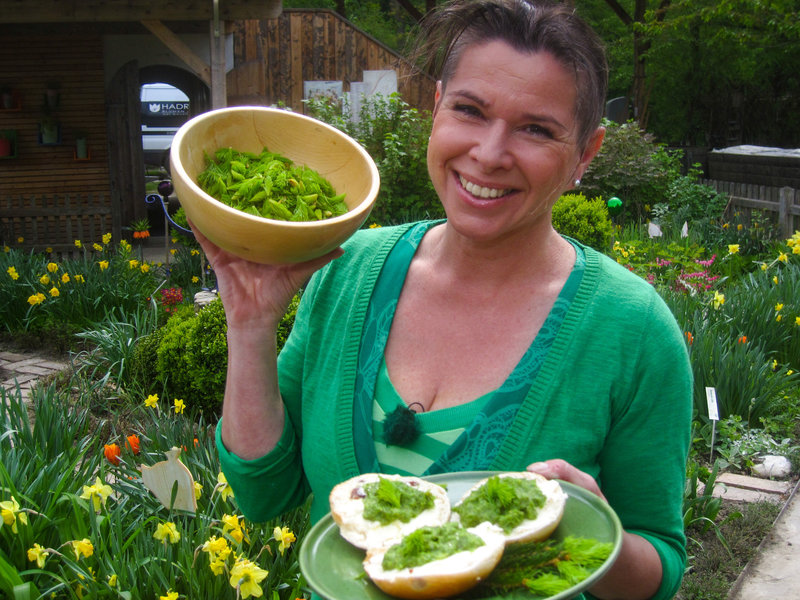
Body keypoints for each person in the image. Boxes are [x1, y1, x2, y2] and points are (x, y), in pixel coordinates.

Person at [195, 1, 692, 599]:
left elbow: (659, 567)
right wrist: (249, 325)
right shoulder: (345, 270)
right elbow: (263, 496)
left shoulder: (633, 330)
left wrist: (594, 527)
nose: (489, 152)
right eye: (469, 110)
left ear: (585, 153)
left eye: (536, 129)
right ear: (436, 109)